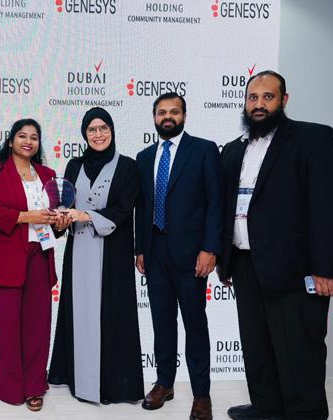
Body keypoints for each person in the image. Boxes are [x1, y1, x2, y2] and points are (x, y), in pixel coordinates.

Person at [218, 70, 333, 420]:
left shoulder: (312, 139)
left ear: (284, 100)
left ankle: (305, 413)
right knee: (257, 345)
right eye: (253, 97)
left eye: (268, 96)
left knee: (299, 350)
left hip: (296, 268)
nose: (259, 104)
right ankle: (266, 407)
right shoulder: (233, 150)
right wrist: (225, 260)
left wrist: (325, 268)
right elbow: (225, 208)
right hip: (245, 264)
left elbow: (330, 206)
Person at [135, 92, 223, 420]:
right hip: (154, 253)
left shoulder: (204, 150)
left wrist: (210, 248)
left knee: (195, 324)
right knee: (162, 322)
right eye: (162, 112)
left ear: (184, 116)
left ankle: (201, 394)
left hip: (192, 256)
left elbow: (216, 203)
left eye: (174, 112)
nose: (168, 117)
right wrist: (140, 248)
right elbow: (142, 207)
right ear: (154, 118)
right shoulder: (145, 157)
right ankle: (164, 383)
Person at [48, 107, 144, 404]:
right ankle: (78, 379)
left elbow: (124, 209)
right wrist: (61, 221)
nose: (98, 134)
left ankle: (112, 385)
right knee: (78, 313)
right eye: (92, 129)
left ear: (112, 131)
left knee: (112, 315)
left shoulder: (128, 167)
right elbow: (64, 206)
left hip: (113, 255)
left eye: (104, 128)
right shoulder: (74, 166)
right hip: (79, 252)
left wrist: (85, 215)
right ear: (84, 134)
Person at [0, 118, 61, 411]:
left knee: (38, 327)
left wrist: (60, 222)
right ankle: (12, 390)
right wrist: (25, 217)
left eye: (34, 137)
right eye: (22, 136)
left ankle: (35, 386)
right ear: (10, 141)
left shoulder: (48, 175)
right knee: (6, 329)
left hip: (40, 257)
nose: (28, 141)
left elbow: (55, 216)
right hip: (6, 259)